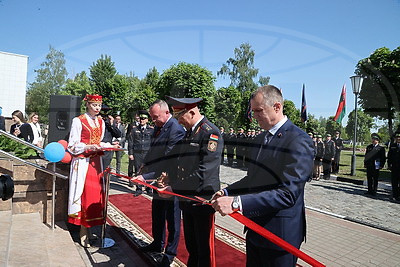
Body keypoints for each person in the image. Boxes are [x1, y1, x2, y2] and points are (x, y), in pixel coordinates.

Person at [211, 85, 314, 267]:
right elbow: (253, 178)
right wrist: (227, 191)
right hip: (255, 228)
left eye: (259, 110)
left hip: (280, 235)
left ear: (277, 107)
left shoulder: (298, 140)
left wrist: (236, 203)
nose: (254, 116)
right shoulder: (260, 139)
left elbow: (288, 194)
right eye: (253, 111)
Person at [157, 96, 223, 267]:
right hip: (187, 198)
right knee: (192, 247)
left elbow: (204, 173)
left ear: (192, 112)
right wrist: (169, 176)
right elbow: (182, 162)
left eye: (180, 117)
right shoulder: (190, 132)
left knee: (203, 250)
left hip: (201, 200)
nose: (179, 122)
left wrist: (174, 187)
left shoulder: (210, 133)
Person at [131, 100, 185, 266]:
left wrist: (146, 177)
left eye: (155, 117)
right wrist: (144, 164)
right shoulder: (159, 127)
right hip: (157, 181)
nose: (153, 121)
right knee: (158, 214)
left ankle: (169, 254)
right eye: (152, 118)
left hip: (170, 180)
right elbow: (153, 150)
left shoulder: (176, 130)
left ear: (166, 112)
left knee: (173, 219)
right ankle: (157, 243)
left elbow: (168, 160)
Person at [67, 94, 119, 248]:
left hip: (96, 163)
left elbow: (100, 141)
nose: (97, 108)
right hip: (83, 162)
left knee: (95, 195)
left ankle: (90, 229)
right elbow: (72, 145)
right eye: (94, 105)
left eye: (99, 105)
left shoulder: (101, 122)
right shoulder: (78, 121)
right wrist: (87, 147)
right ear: (88, 104)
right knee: (84, 195)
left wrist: (109, 145)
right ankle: (83, 231)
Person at [127, 110, 154, 192]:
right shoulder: (134, 130)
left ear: (147, 120)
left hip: (147, 153)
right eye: (141, 118)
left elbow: (153, 142)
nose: (142, 120)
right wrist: (130, 153)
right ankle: (138, 188)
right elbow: (131, 142)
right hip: (137, 153)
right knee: (138, 170)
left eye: (144, 119)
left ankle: (148, 187)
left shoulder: (151, 130)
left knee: (148, 170)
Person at [100, 104, 121, 169]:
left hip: (107, 151)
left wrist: (112, 124)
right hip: (97, 149)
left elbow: (118, 134)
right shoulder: (95, 120)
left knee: (105, 171)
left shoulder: (110, 121)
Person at [387, 132, 400, 201]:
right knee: (394, 182)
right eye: (397, 137)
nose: (398, 139)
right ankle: (395, 195)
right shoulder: (392, 145)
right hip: (394, 167)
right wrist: (389, 165)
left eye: (399, 138)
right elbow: (389, 156)